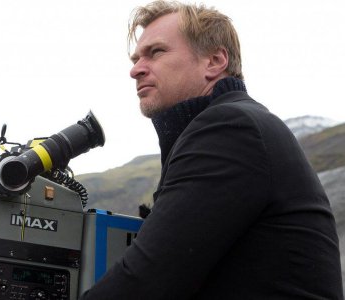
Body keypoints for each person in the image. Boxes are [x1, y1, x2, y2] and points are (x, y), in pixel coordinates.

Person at [79, 1, 343, 299]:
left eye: (156, 52)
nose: (136, 70)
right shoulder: (225, 128)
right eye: (136, 58)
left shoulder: (231, 129)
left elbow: (145, 281)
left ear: (214, 61)